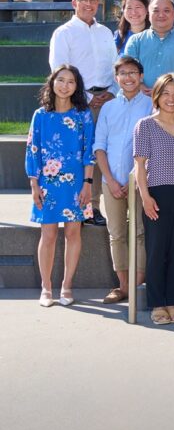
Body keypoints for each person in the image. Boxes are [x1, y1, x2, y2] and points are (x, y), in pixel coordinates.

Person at [133, 74, 174, 325]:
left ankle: (172, 301)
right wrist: (145, 197)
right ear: (157, 96)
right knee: (156, 251)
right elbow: (139, 165)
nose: (171, 99)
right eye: (166, 93)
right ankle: (157, 304)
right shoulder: (145, 125)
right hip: (157, 194)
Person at [26, 65, 95, 307]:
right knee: (48, 234)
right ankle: (46, 288)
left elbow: (89, 151)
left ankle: (67, 286)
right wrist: (34, 185)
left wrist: (88, 184)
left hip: (76, 183)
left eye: (71, 81)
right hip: (47, 183)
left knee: (73, 233)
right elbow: (32, 150)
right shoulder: (40, 115)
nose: (65, 85)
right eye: (61, 80)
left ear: (77, 87)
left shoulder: (83, 115)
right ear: (52, 82)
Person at [49, 0, 117, 223]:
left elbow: (115, 66)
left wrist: (112, 92)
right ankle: (78, 206)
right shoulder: (63, 33)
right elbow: (59, 70)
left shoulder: (106, 33)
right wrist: (87, 98)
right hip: (78, 102)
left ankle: (94, 207)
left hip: (107, 100)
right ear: (74, 3)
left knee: (100, 154)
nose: (89, 4)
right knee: (81, 154)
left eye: (93, 0)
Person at [93, 56, 152, 303]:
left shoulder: (150, 105)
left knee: (139, 232)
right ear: (116, 79)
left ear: (140, 76)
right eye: (123, 73)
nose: (128, 77)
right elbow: (100, 147)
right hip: (111, 182)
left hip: (140, 181)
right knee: (116, 233)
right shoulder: (108, 108)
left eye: (133, 73)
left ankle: (137, 286)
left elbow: (153, 145)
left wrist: (135, 179)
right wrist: (111, 180)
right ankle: (123, 285)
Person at [125, 0, 174, 94]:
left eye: (166, 11)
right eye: (156, 11)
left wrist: (165, 91)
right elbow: (128, 69)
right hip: (140, 101)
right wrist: (140, 85)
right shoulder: (135, 41)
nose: (161, 15)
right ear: (148, 14)